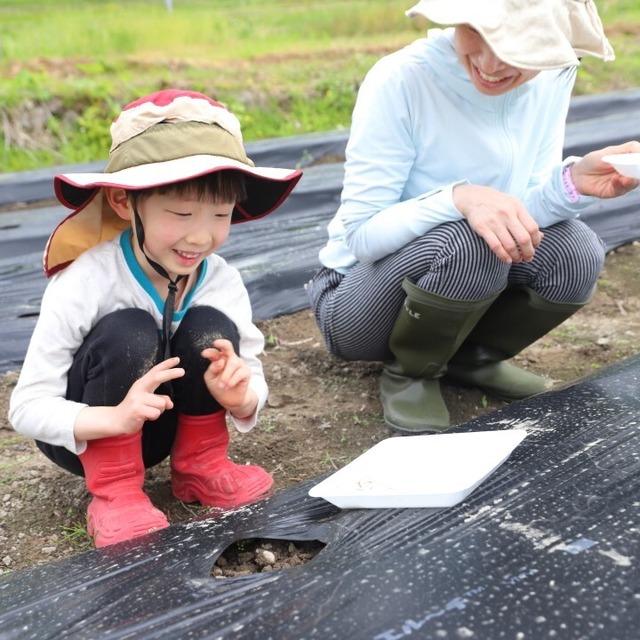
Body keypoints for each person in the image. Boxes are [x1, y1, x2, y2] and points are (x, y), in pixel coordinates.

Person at [308, 0, 640, 435]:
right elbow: (362, 237)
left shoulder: (552, 75)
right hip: (358, 302)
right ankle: (411, 372)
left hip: (467, 273)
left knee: (577, 250)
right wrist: (458, 198)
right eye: (476, 32)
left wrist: (574, 183)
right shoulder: (403, 79)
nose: (489, 63)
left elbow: (520, 211)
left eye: (518, 50)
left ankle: (471, 357)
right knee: (468, 242)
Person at [8, 89, 302, 548]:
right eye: (181, 213)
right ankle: (116, 492)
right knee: (129, 332)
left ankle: (200, 466)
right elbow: (25, 408)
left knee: (210, 327)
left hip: (166, 425)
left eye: (220, 215)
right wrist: (111, 418)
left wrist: (243, 397)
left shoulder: (221, 280)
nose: (201, 235)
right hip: (90, 430)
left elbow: (253, 373)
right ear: (126, 203)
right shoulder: (87, 281)